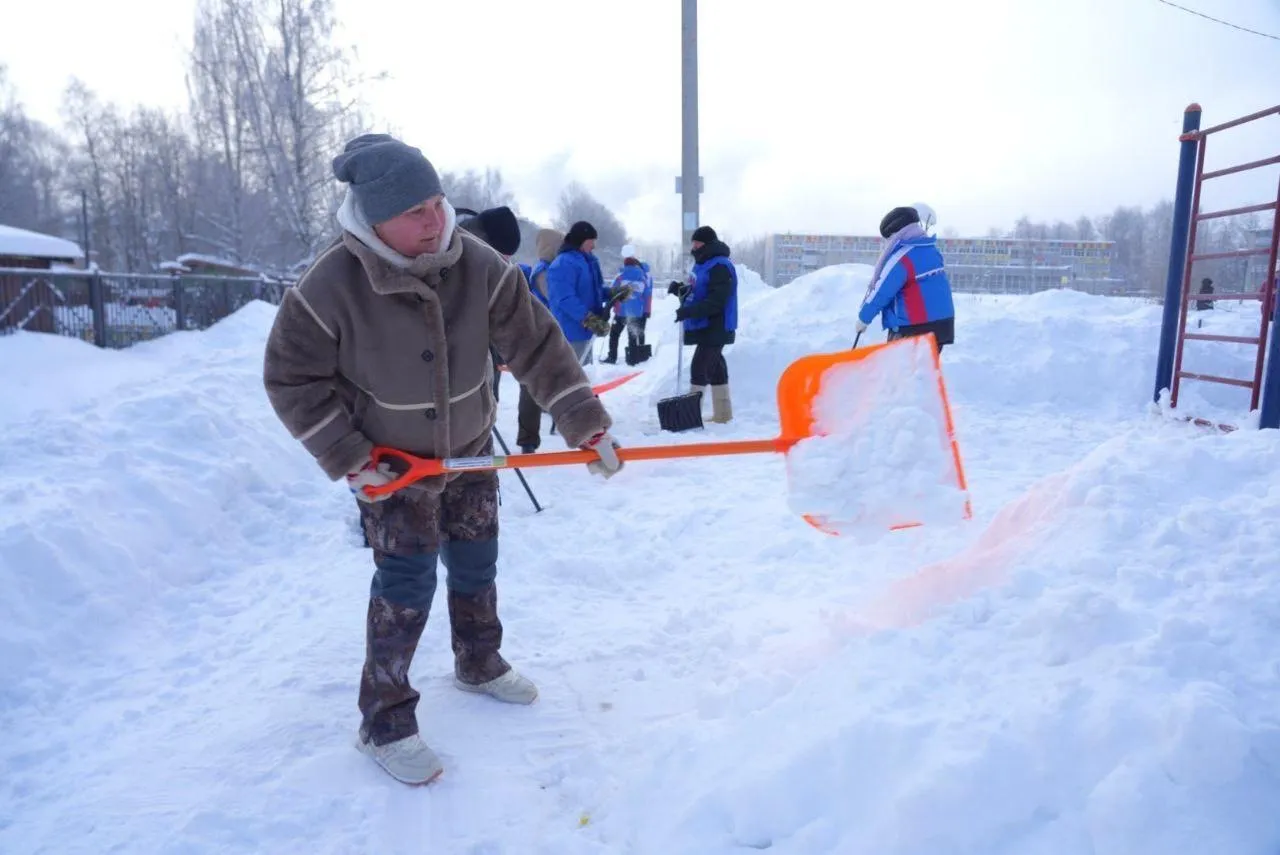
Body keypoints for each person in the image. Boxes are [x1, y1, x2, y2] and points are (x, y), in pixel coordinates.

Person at [261, 133, 624, 786]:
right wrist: (349, 455)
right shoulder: (330, 286)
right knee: (405, 586)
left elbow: (538, 345)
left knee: (477, 561)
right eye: (415, 212)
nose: (436, 221)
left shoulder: (479, 266)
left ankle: (479, 659)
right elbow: (291, 376)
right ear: (374, 222)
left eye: (437, 202)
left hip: (470, 452)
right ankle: (385, 719)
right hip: (393, 468)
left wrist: (584, 421)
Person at [856, 205, 955, 353]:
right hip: (941, 326)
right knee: (924, 373)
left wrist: (864, 318)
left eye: (889, 237)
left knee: (899, 373)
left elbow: (882, 290)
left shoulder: (903, 257)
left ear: (896, 233)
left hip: (913, 328)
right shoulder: (931, 250)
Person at [456, 205, 529, 401]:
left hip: (485, 368)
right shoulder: (442, 254)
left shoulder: (488, 264)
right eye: (500, 256)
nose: (503, 263)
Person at [671, 225, 737, 423]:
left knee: (700, 367)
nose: (694, 246)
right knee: (715, 366)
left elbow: (717, 300)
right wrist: (680, 290)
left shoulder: (720, 266)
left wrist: (690, 311)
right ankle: (723, 414)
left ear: (707, 244)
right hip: (705, 323)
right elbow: (700, 291)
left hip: (717, 323)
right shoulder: (703, 264)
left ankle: (691, 416)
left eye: (697, 242)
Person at [516, 228, 565, 453]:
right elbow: (554, 300)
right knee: (530, 388)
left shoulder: (546, 269)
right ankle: (528, 439)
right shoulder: (544, 272)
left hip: (543, 335)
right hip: (535, 337)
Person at [545, 220, 612, 366]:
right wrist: (589, 319)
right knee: (572, 378)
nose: (594, 245)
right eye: (591, 241)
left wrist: (612, 293)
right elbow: (565, 299)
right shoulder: (563, 263)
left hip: (585, 330)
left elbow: (595, 290)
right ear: (580, 240)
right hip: (570, 332)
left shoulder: (588, 261)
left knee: (585, 375)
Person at [604, 244, 653, 364]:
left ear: (625, 265)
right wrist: (647, 311)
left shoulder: (620, 278)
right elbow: (647, 295)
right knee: (632, 337)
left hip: (621, 312)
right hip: (636, 313)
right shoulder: (642, 278)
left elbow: (612, 293)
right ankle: (632, 359)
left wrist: (609, 306)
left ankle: (612, 357)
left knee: (614, 335)